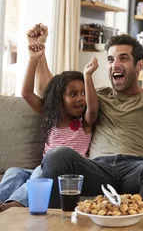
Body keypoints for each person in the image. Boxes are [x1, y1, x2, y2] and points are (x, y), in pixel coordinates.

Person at [39, 8, 143, 213]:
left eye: (123, 58)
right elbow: (51, 95)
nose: (115, 64)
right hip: (97, 170)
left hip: (135, 169)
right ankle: (55, 225)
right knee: (57, 155)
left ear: (138, 65)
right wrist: (39, 53)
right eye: (111, 59)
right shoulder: (99, 95)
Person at [0, 28, 98, 212]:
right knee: (15, 172)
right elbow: (26, 93)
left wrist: (88, 76)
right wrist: (33, 59)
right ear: (59, 98)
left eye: (83, 93)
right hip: (41, 171)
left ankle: (13, 206)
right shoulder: (52, 117)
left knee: (41, 172)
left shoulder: (85, 122)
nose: (80, 99)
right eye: (73, 94)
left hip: (65, 175)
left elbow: (92, 107)